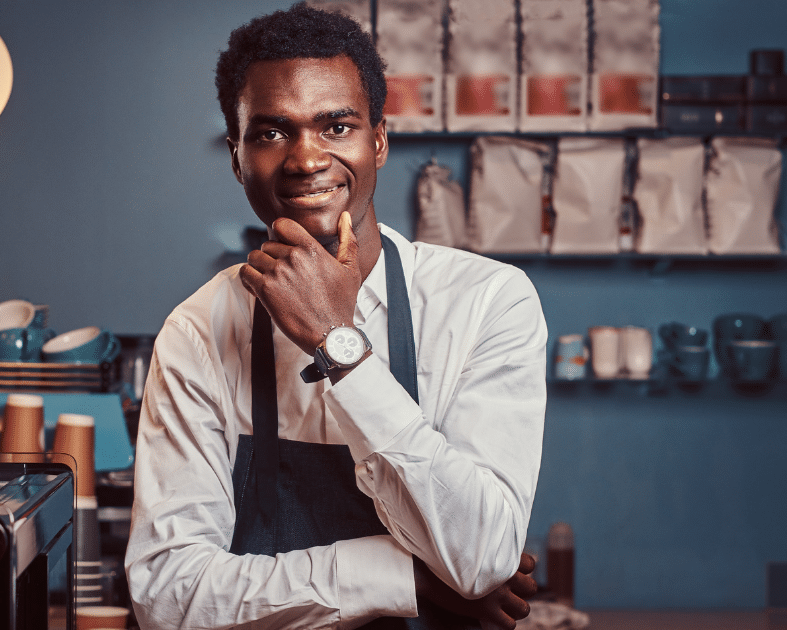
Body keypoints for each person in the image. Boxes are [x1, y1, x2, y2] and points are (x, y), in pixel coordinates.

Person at [124, 4, 546, 629]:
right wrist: (408, 578)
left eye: (336, 127)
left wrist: (337, 342)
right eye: (270, 133)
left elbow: (482, 557)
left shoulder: (488, 302)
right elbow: (169, 593)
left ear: (378, 139)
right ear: (236, 156)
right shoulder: (197, 332)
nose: (305, 159)